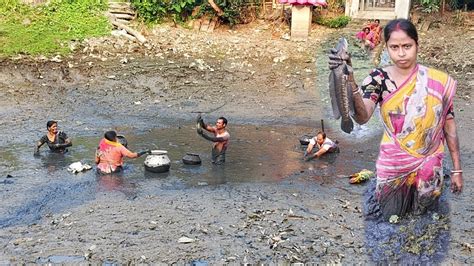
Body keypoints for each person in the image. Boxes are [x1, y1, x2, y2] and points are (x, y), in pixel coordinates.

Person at [328, 19, 463, 220]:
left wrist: (456, 169)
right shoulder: (379, 79)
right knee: (389, 217)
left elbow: (449, 128)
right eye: (394, 47)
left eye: (407, 46)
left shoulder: (437, 82)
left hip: (429, 166)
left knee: (423, 218)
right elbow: (363, 117)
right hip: (394, 164)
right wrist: (349, 78)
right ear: (387, 48)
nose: (401, 53)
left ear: (417, 45)